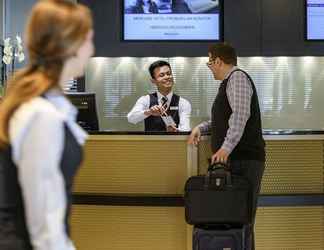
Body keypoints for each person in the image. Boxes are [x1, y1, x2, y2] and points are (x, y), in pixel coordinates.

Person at [0, 0, 94, 249]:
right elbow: (45, 220)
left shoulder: (39, 104)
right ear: (71, 45)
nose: (91, 50)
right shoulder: (42, 115)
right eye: (88, 41)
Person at [188, 43, 265, 250]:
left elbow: (240, 115)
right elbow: (224, 120)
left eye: (209, 62)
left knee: (243, 219)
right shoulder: (228, 82)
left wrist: (225, 148)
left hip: (244, 160)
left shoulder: (237, 78)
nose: (209, 66)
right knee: (231, 219)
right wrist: (201, 128)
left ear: (219, 61)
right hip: (236, 159)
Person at [127, 60, 191, 132]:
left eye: (169, 73)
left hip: (173, 142)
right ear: (153, 81)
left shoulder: (183, 103)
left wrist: (176, 131)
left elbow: (186, 129)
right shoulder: (145, 100)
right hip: (151, 142)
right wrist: (149, 112)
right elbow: (131, 118)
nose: (167, 77)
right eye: (162, 75)